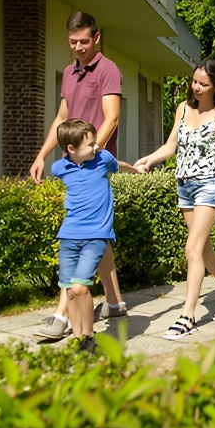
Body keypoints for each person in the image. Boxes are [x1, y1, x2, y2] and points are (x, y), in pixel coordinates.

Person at [32, 11, 128, 341]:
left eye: (84, 42)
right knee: (96, 234)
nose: (78, 48)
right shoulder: (69, 73)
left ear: (96, 38)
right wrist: (43, 154)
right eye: (73, 42)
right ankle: (114, 303)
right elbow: (62, 118)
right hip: (73, 163)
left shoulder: (108, 70)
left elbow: (111, 118)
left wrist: (91, 158)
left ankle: (62, 315)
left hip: (91, 164)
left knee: (81, 232)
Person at [139, 58, 215, 340]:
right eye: (194, 81)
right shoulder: (183, 108)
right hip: (184, 187)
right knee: (204, 252)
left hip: (209, 187)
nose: (196, 87)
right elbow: (172, 145)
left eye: (203, 84)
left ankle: (187, 316)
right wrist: (150, 159)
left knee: (192, 250)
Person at [47, 118, 142, 354]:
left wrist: (135, 170)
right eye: (90, 144)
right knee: (69, 290)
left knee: (80, 288)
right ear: (71, 149)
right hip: (68, 235)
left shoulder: (103, 160)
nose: (96, 147)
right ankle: (78, 340)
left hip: (96, 235)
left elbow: (118, 164)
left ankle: (89, 337)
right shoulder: (60, 168)